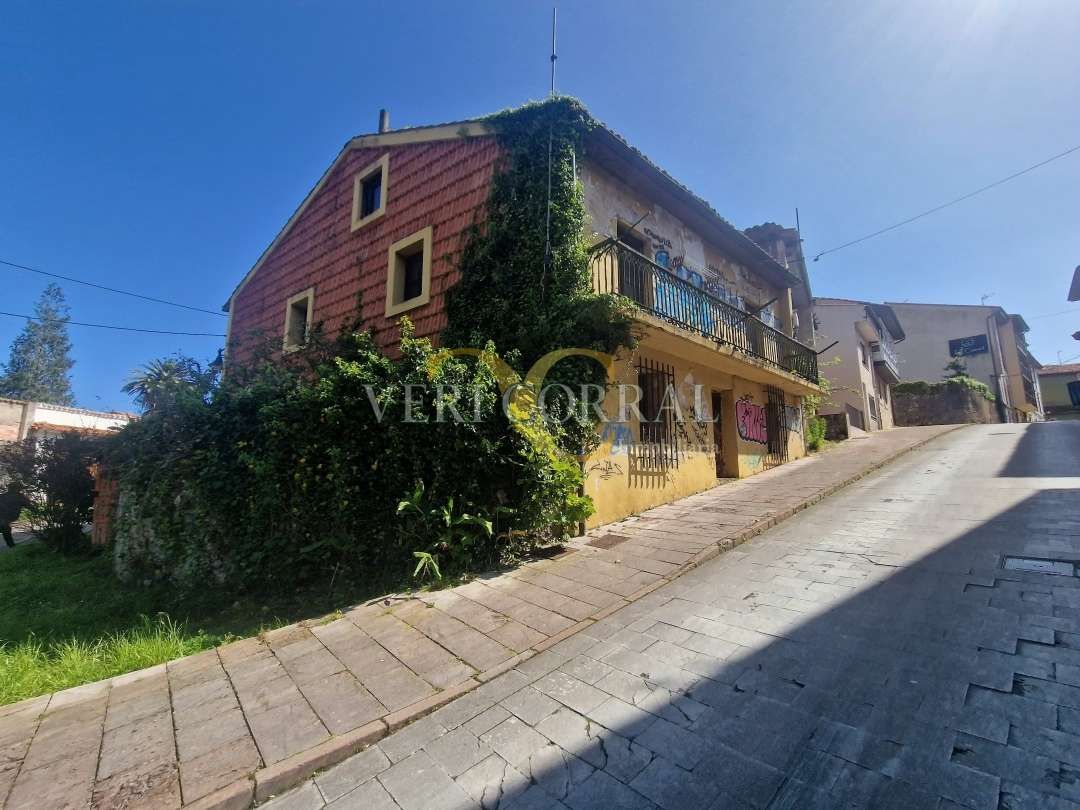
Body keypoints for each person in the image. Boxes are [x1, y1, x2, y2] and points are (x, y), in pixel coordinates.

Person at [0, 482, 30, 548]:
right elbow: (30, 506)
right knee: (5, 526)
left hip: (7, 517)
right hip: (7, 516)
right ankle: (11, 545)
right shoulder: (19, 496)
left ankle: (11, 545)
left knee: (4, 526)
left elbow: (29, 506)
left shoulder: (19, 497)